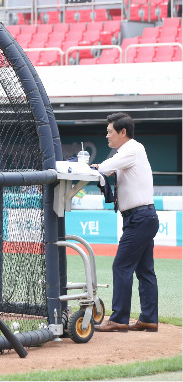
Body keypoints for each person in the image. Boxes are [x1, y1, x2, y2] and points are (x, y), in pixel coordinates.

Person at [91, 113, 159, 333]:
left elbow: (105, 168)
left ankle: (119, 318)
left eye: (110, 131)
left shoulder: (131, 149)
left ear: (123, 132)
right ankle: (149, 319)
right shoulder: (132, 151)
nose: (107, 136)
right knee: (145, 270)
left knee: (121, 266)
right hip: (142, 218)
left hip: (139, 218)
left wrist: (96, 166)